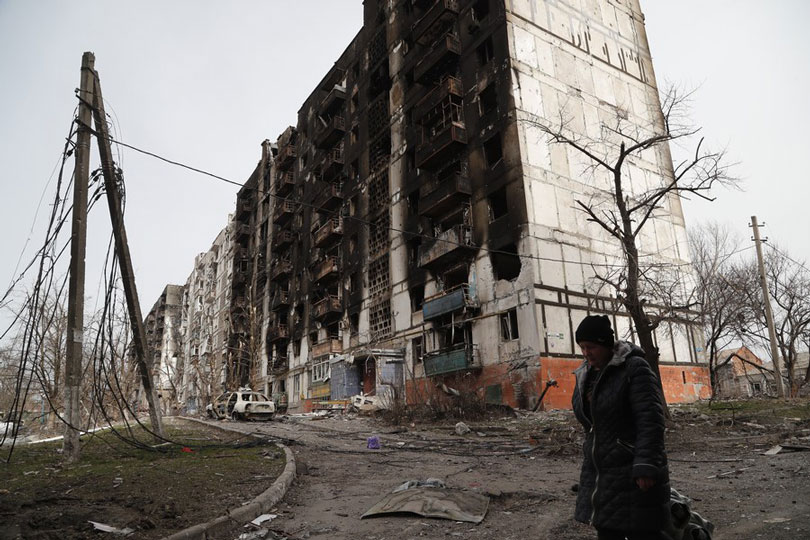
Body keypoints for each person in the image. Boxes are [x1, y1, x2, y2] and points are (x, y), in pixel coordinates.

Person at [571, 315, 670, 540]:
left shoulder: (634, 368)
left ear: (606, 344)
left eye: (591, 347)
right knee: (607, 530)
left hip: (633, 468)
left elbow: (650, 420)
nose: (586, 353)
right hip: (601, 470)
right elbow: (590, 423)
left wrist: (646, 465)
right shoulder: (586, 374)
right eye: (582, 347)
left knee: (643, 530)